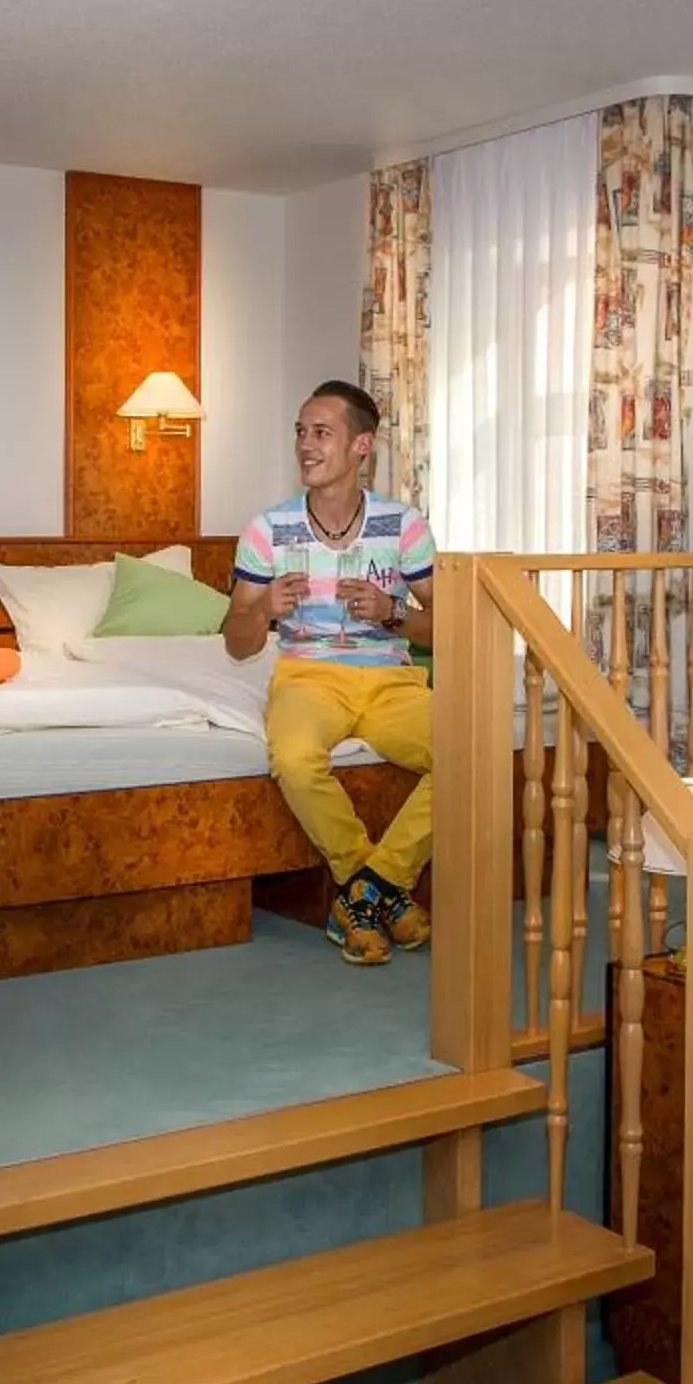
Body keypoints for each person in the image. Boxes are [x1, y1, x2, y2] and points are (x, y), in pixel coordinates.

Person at [223, 382, 437, 966]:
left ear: (360, 445)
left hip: (391, 679)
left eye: (321, 433)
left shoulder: (404, 525)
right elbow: (236, 642)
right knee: (292, 756)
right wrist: (263, 610)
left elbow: (447, 626)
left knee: (474, 752)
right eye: (300, 432)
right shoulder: (267, 529)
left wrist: (393, 612)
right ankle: (374, 887)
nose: (305, 445)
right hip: (308, 676)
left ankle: (367, 892)